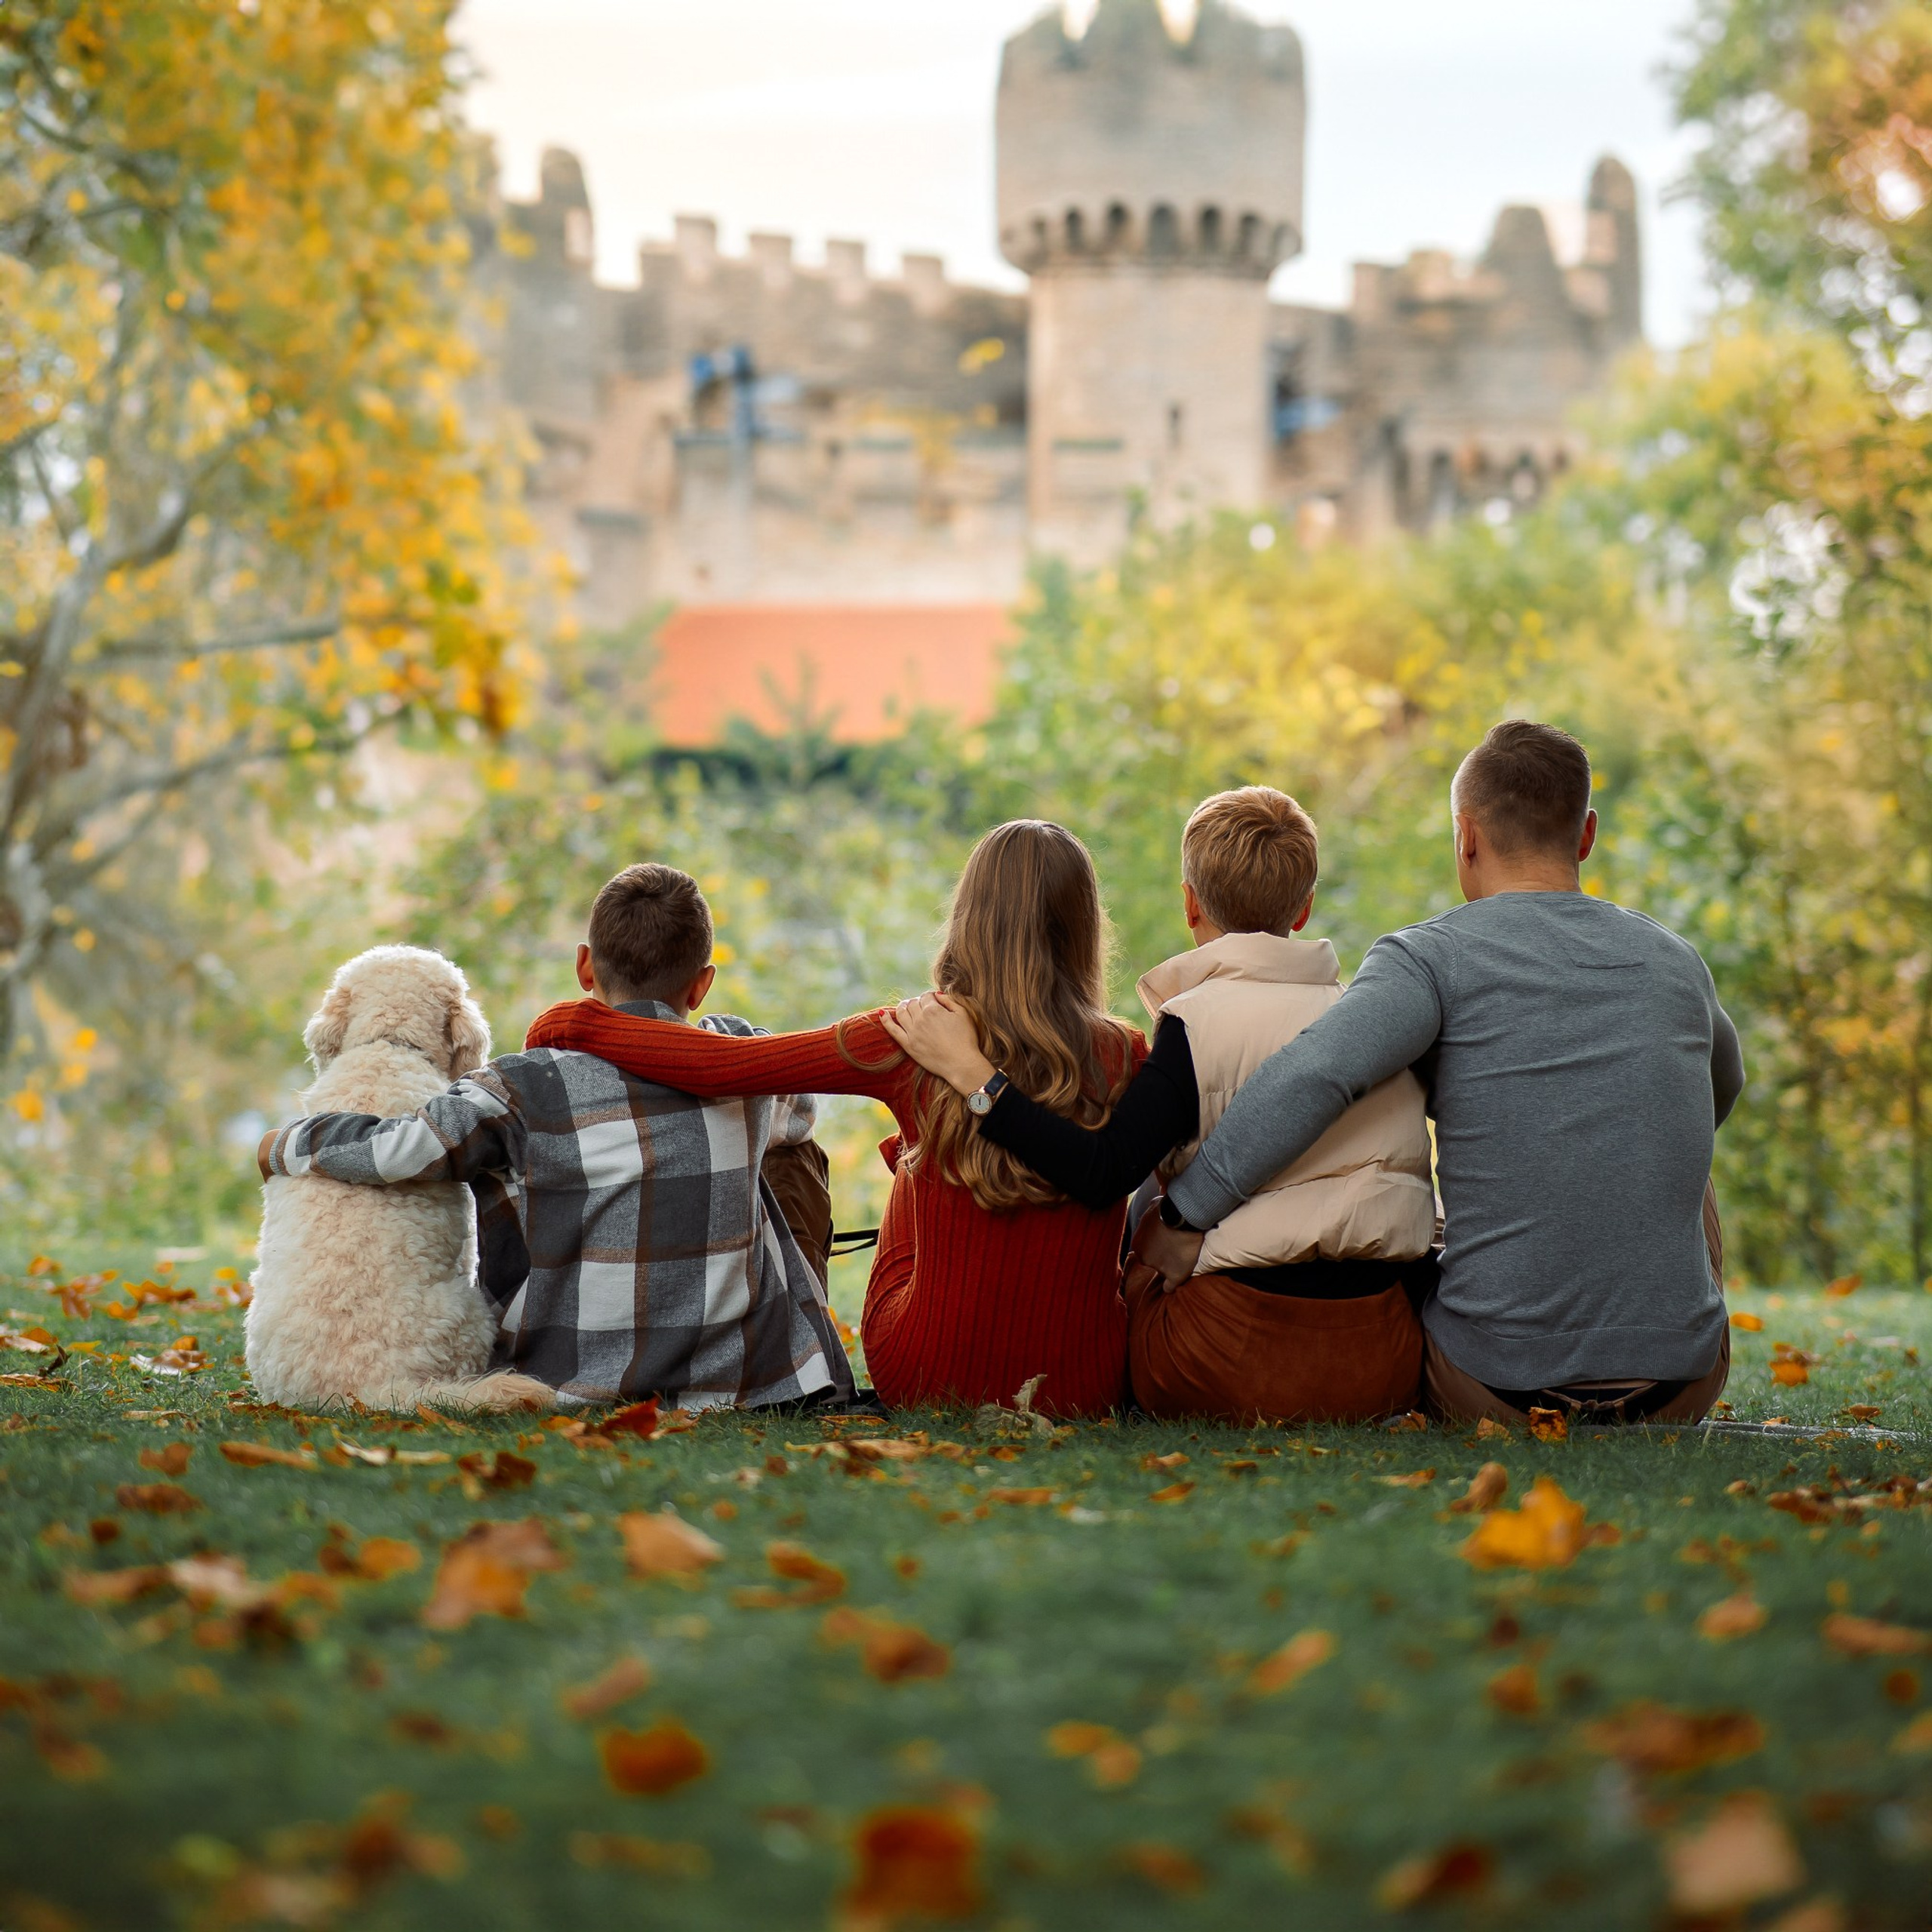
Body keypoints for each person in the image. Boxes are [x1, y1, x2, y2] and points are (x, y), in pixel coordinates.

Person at [1132, 721, 1743, 1425]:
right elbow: (1720, 1088)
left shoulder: (1431, 959)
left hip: (1495, 1390)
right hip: (1678, 1388)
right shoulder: (1677, 962)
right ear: (1586, 835)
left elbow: (1316, 1072)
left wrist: (1185, 1215)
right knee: (1690, 1169)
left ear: (1467, 837)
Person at [525, 820, 1146, 1417]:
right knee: (922, 1142)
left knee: (914, 1153)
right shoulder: (1127, 1053)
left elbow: (723, 1067)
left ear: (968, 920)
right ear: (1083, 927)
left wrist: (580, 1022)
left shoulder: (908, 1036)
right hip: (1083, 1384)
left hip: (927, 1374)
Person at [888, 786, 1437, 1424]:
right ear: (1305, 908)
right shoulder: (1367, 1025)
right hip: (1381, 1362)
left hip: (1222, 1362)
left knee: (1149, 1180)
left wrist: (976, 1077)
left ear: (1190, 903)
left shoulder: (1193, 1026)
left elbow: (1102, 1173)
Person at [258, 863, 855, 1412]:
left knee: (497, 1156)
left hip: (562, 1378)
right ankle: (787, 1354)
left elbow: (397, 1153)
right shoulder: (745, 1060)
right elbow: (800, 1119)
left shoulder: (520, 1087)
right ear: (701, 986)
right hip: (736, 1382)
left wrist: (286, 1145)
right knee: (791, 1151)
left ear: (584, 967)